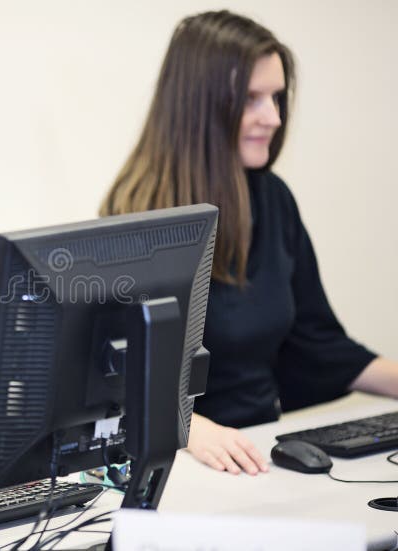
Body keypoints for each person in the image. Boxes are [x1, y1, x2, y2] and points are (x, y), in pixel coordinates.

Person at [100, 10, 398, 476]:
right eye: (253, 99)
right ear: (200, 106)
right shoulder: (136, 220)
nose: (274, 117)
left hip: (258, 453)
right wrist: (189, 427)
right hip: (184, 463)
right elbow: (111, 382)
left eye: (277, 98)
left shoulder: (271, 197)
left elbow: (315, 342)